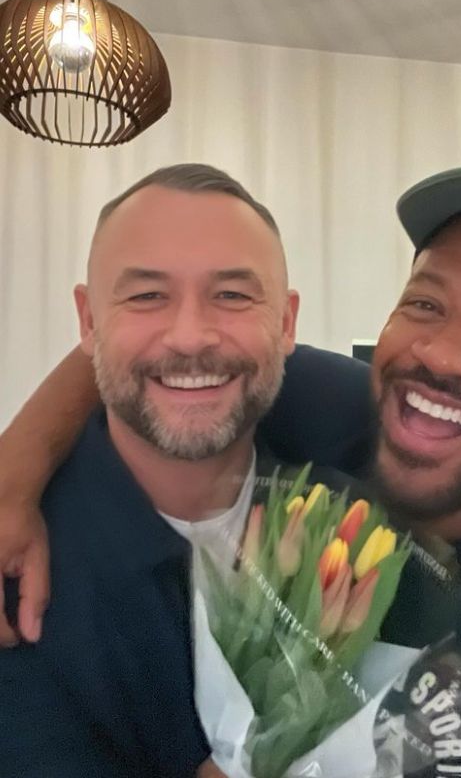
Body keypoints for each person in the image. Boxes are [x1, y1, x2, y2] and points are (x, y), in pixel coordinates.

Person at [2, 165, 461, 775]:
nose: (444, 355)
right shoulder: (349, 408)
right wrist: (12, 473)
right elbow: (151, 352)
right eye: (427, 303)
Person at [0, 163, 304, 777]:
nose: (190, 336)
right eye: (146, 296)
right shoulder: (13, 584)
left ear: (288, 322)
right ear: (87, 322)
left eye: (233, 295)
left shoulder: (361, 512)